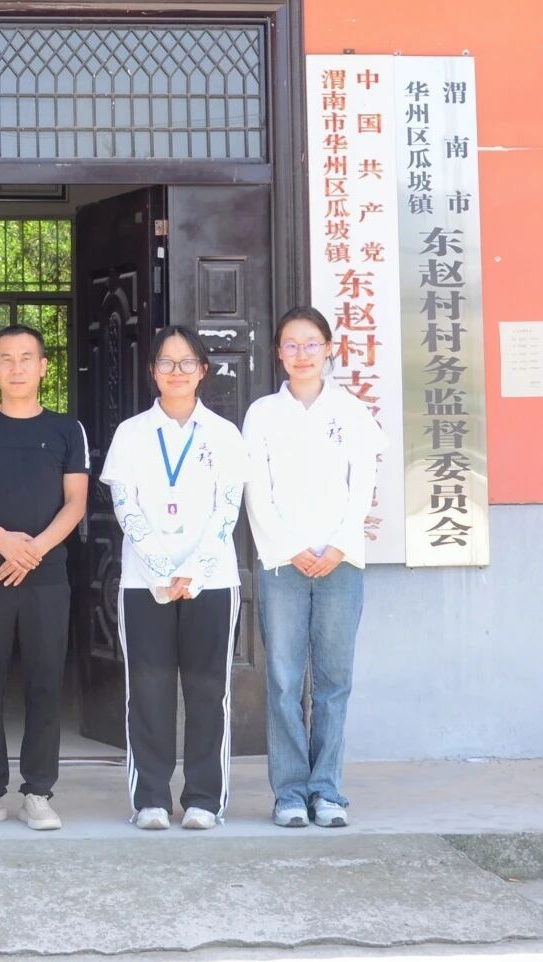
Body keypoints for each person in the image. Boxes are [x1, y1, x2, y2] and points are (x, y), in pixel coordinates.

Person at [242, 306, 386, 829]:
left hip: (341, 562)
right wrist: (290, 547)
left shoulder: (352, 411)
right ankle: (289, 793)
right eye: (291, 344)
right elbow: (256, 490)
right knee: (283, 680)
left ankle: (326, 791)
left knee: (333, 681)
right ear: (278, 353)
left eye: (311, 344)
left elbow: (363, 484)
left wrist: (339, 546)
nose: (301, 354)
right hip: (283, 563)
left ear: (329, 349)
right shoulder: (262, 414)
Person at [99, 325, 247, 831]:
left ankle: (205, 799)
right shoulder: (131, 433)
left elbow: (228, 510)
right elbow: (125, 506)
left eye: (187, 363)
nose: (177, 371)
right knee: (147, 690)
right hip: (144, 583)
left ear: (203, 370)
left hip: (213, 580)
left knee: (208, 691)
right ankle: (151, 799)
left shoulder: (224, 434)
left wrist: (193, 570)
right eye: (166, 362)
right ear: (153, 371)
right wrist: (163, 569)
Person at [0, 325, 89, 832]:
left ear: (44, 367)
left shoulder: (68, 429)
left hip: (46, 577)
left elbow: (76, 503)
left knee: (44, 683)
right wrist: (3, 541)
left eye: (27, 357)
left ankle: (38, 792)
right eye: (6, 358)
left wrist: (34, 550)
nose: (17, 367)